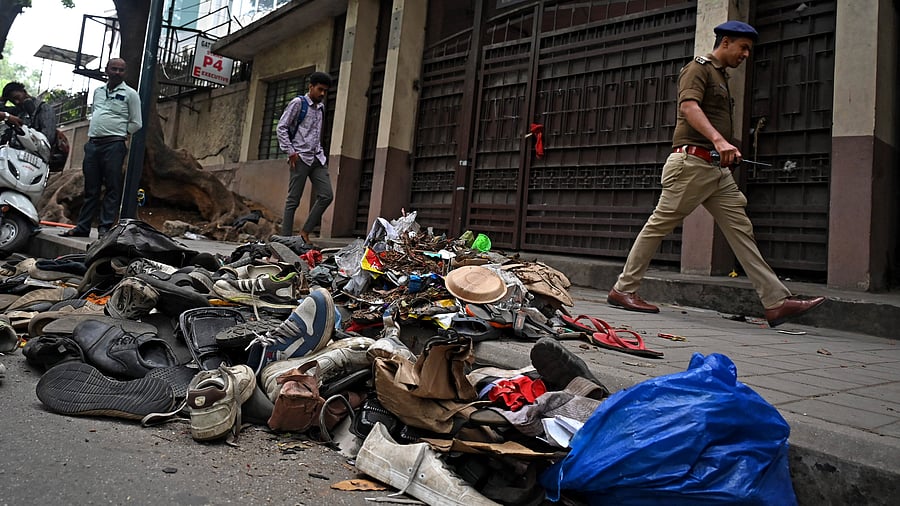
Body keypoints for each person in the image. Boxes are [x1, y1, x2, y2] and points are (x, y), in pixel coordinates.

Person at [606, 21, 825, 328]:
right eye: (743, 48)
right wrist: (720, 141)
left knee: (740, 229)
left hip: (715, 170)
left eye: (749, 49)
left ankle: (776, 302)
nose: (746, 55)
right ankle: (623, 290)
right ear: (725, 42)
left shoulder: (721, 76)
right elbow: (689, 107)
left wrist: (725, 149)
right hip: (691, 166)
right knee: (658, 225)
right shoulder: (699, 69)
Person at [61, 58, 142, 238]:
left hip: (114, 145)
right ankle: (82, 227)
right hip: (93, 145)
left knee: (112, 187)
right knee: (91, 188)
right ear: (107, 70)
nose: (117, 72)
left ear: (125, 72)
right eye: (114, 69)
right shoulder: (98, 92)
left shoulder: (131, 94)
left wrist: (119, 133)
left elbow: (136, 123)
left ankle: (105, 228)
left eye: (121, 70)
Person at [275, 71, 334, 244]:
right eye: (320, 89)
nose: (322, 94)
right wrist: (291, 152)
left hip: (317, 158)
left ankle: (304, 232)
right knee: (293, 200)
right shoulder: (298, 103)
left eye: (325, 91)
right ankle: (284, 240)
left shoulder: (321, 107)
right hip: (299, 158)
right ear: (311, 87)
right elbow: (282, 127)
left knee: (326, 195)